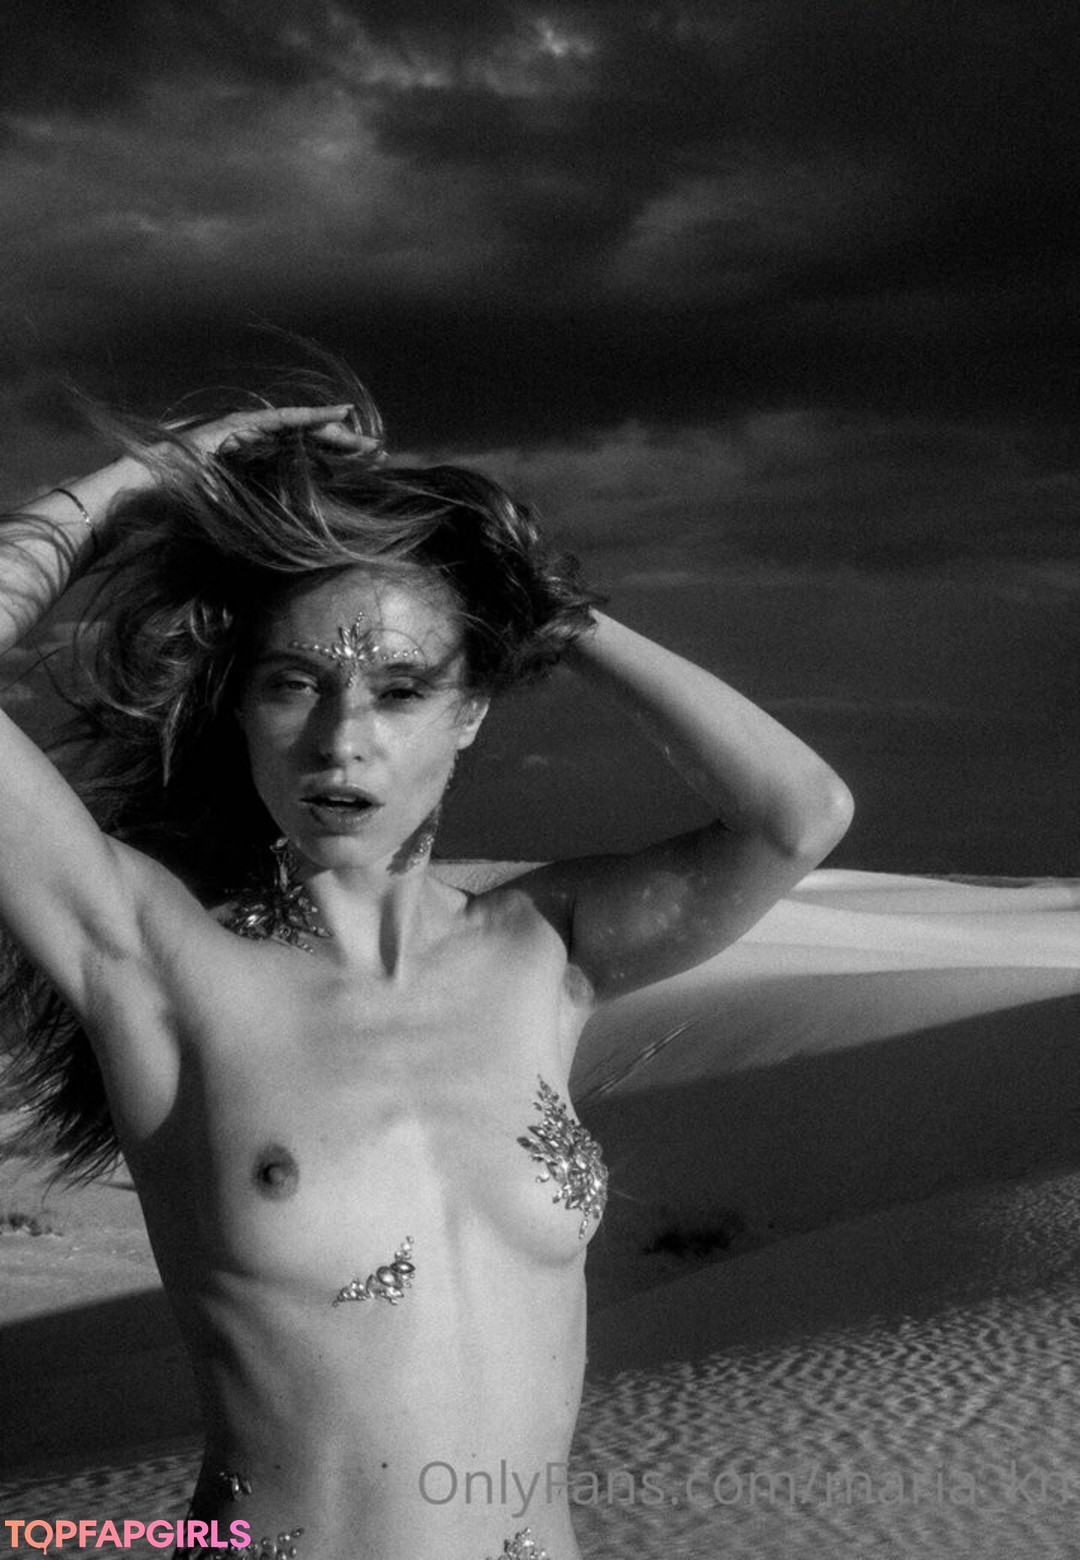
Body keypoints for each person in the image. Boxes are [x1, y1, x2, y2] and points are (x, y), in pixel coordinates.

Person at [0, 372, 852, 1560]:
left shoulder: (542, 949)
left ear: (472, 710)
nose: (342, 740)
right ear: (238, 706)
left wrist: (546, 606)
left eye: (400, 690)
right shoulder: (156, 959)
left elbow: (799, 814)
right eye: (293, 684)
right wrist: (159, 478)